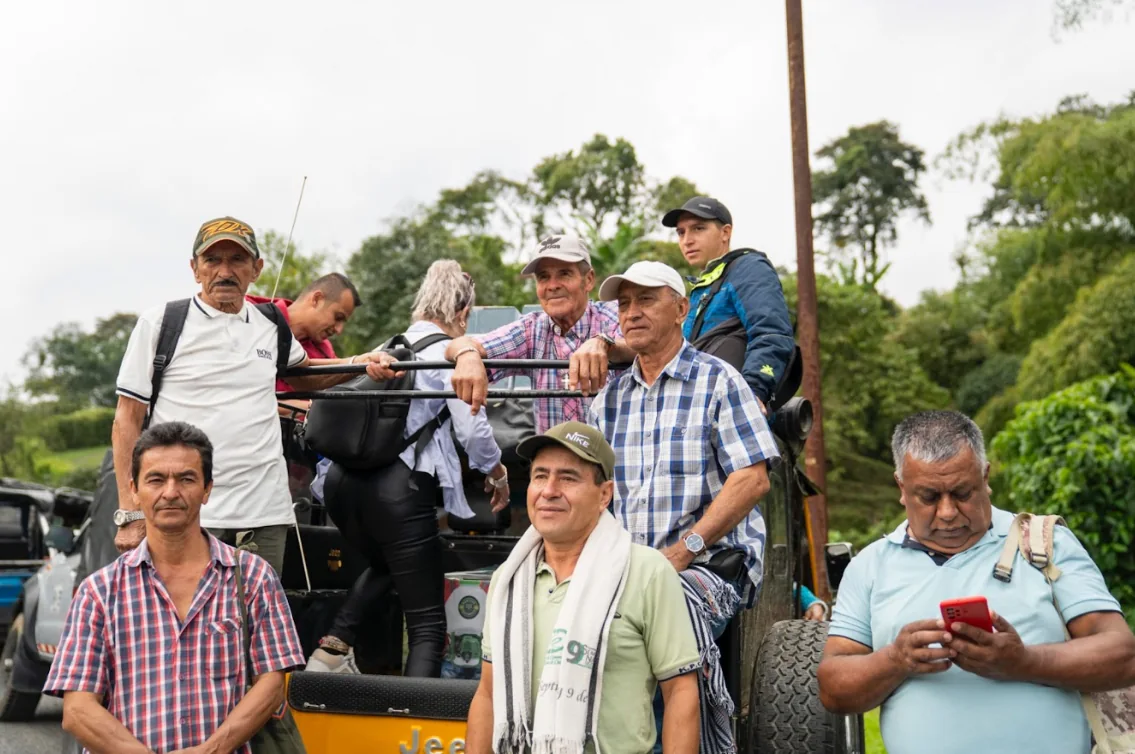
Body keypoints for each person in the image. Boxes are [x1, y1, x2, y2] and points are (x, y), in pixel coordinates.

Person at [818, 410, 1135, 754]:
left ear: (985, 477)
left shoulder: (1043, 543)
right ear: (901, 487)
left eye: (962, 492)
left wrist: (1022, 662)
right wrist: (895, 659)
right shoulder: (871, 566)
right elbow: (833, 689)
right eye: (928, 496)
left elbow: (1123, 656)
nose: (948, 512)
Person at [112, 216, 399, 575]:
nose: (225, 271)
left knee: (258, 625)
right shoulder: (162, 323)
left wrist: (361, 362)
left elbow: (306, 376)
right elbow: (127, 418)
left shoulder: (271, 325)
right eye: (213, 260)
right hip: (184, 510)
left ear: (256, 269)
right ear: (195, 269)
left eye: (238, 260)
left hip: (263, 513)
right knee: (182, 624)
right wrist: (131, 512)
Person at [589, 260, 780, 754]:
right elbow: (592, 497)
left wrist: (685, 549)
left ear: (682, 308)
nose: (631, 312)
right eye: (624, 303)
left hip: (709, 564)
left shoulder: (720, 381)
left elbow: (753, 478)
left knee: (650, 625)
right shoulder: (607, 402)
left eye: (646, 299)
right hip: (628, 568)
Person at [45, 421, 306, 754]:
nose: (171, 492)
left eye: (186, 479)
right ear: (134, 490)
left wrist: (212, 749)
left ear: (207, 489)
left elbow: (271, 685)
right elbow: (78, 710)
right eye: (156, 479)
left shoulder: (253, 577)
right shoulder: (98, 592)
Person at [307, 261, 510, 677]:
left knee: (387, 565)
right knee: (427, 624)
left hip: (341, 487)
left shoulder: (389, 344)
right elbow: (472, 431)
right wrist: (497, 471)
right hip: (398, 490)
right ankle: (418, 729)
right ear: (463, 313)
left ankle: (329, 654)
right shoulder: (451, 351)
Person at [466, 421, 701, 754]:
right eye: (540, 476)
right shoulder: (509, 581)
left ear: (604, 494)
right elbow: (488, 694)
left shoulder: (647, 571)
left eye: (568, 478)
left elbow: (680, 691)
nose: (549, 490)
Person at [447, 233, 631, 434]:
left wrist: (605, 344)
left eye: (564, 274)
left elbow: (648, 344)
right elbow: (458, 345)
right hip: (555, 462)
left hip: (612, 462)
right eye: (544, 277)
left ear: (588, 280)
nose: (552, 285)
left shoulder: (614, 314)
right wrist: (467, 355)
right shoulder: (531, 329)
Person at [662, 196, 795, 412]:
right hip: (699, 409)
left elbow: (771, 333)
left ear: (725, 232)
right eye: (681, 232)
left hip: (735, 409)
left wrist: (753, 392)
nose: (687, 240)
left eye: (698, 229)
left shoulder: (749, 268)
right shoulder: (704, 284)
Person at [247, 271, 363, 414]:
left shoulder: (325, 351)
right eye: (338, 317)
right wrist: (309, 407)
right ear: (317, 299)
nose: (339, 330)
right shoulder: (251, 315)